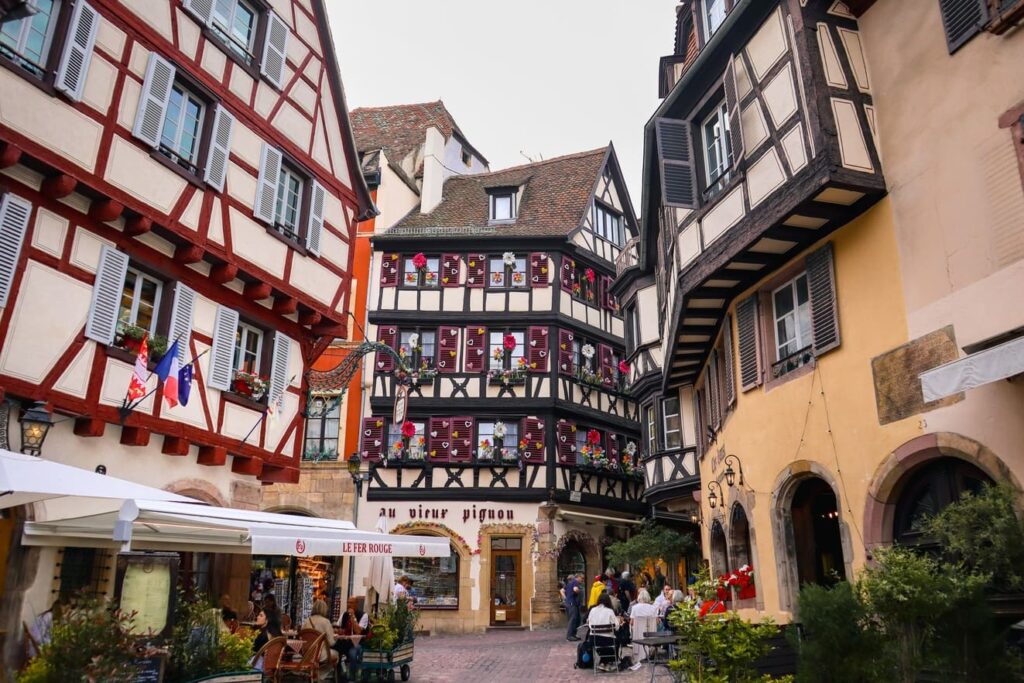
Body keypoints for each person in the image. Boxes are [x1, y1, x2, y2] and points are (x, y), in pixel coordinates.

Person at [586, 593, 620, 673]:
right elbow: (617, 626)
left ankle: (603, 662)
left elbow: (589, 623)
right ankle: (608, 662)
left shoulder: (593, 610)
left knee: (601, 644)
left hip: (594, 640)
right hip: (608, 640)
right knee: (617, 641)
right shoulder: (610, 611)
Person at [302, 599, 339, 669]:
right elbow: (331, 643)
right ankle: (324, 674)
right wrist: (335, 638)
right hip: (321, 654)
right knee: (336, 654)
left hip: (307, 654)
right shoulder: (326, 622)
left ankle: (316, 673)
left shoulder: (307, 621)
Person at [628, 590, 659, 669]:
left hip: (639, 634)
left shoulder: (635, 608)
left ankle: (639, 655)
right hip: (651, 634)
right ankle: (650, 653)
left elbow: (632, 622)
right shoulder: (653, 608)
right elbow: (657, 621)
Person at [336, 607, 365, 680]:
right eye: (348, 603)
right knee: (338, 651)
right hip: (345, 642)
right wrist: (339, 631)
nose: (349, 605)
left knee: (353, 654)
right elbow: (338, 627)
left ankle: (352, 676)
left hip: (356, 643)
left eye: (352, 603)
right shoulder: (344, 615)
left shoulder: (362, 616)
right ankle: (340, 674)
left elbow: (358, 631)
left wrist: (353, 618)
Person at [565, 573, 583, 641]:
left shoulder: (569, 583)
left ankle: (573, 634)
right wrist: (579, 592)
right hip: (572, 603)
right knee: (573, 619)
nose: (582, 580)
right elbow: (575, 589)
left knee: (576, 619)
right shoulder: (575, 582)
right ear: (577, 577)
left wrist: (566, 598)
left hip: (571, 603)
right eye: (582, 578)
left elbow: (563, 590)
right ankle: (570, 636)